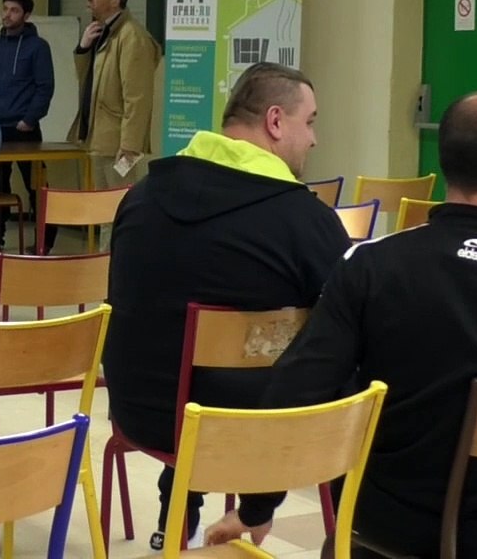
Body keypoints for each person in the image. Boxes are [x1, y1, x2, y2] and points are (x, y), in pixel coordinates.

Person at [207, 91, 477, 557]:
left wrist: (256, 507)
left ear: (446, 161)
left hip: (382, 520)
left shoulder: (368, 266)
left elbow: (299, 388)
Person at [102, 63, 350, 550]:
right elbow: (344, 325)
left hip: (140, 410)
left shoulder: (140, 196)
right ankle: (348, 534)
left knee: (191, 355)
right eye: (312, 121)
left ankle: (178, 510)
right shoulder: (302, 218)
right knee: (346, 359)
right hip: (246, 428)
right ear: (276, 122)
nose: (315, 139)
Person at [68, 0, 161, 190]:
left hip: (118, 143)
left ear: (115, 1)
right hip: (99, 138)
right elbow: (89, 81)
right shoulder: (104, 32)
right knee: (103, 209)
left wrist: (130, 146)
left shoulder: (132, 37)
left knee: (119, 204)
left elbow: (137, 98)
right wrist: (83, 48)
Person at [0, 0, 54, 250]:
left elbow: (45, 86)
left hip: (24, 129)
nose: (7, 15)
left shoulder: (38, 47)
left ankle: (45, 239)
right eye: (5, 9)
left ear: (27, 15)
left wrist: (30, 119)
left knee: (36, 185)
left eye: (14, 10)